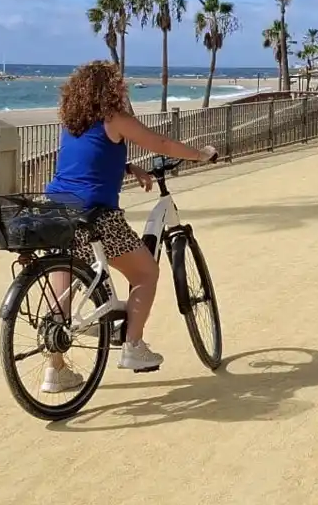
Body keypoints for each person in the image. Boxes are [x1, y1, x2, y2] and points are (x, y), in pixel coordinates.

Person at [43, 61, 219, 391]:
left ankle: (54, 371)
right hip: (96, 215)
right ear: (111, 89)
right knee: (145, 273)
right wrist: (200, 155)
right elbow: (161, 144)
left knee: (61, 292)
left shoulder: (72, 122)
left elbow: (88, 159)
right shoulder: (114, 118)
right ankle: (133, 347)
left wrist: (128, 168)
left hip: (57, 209)